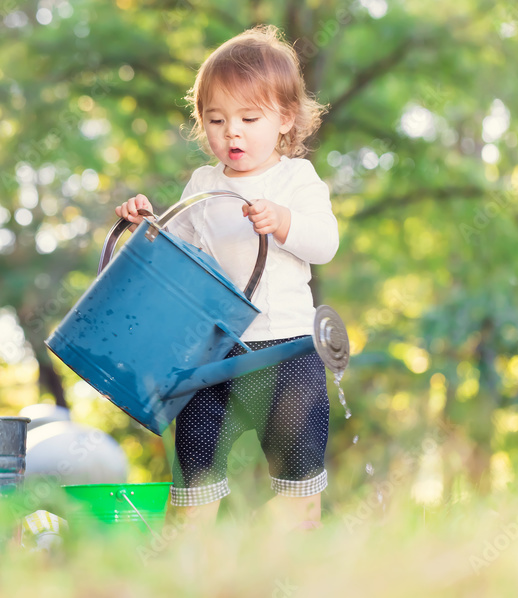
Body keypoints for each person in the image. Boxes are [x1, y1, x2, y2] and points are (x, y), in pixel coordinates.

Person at [115, 25, 338, 532]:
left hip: (286, 347)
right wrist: (143, 224)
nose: (231, 131)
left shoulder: (295, 179)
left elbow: (325, 242)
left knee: (298, 465)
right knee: (196, 462)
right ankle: (193, 554)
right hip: (212, 348)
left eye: (248, 118)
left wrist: (283, 221)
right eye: (216, 119)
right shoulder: (203, 185)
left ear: (284, 119)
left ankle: (279, 546)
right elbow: (177, 255)